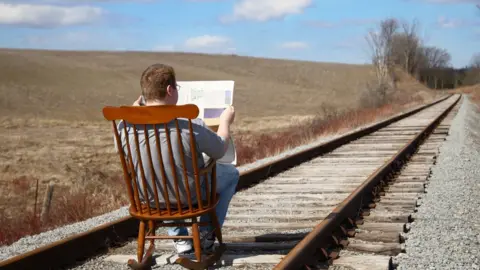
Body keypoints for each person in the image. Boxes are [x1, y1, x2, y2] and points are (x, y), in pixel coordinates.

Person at [116, 63, 239, 254]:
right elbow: (220, 150)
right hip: (188, 196)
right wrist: (224, 122)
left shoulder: (124, 127)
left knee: (164, 176)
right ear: (170, 89)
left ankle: (180, 239)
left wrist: (134, 111)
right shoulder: (189, 124)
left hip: (148, 197)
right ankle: (206, 235)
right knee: (231, 174)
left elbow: (122, 151)